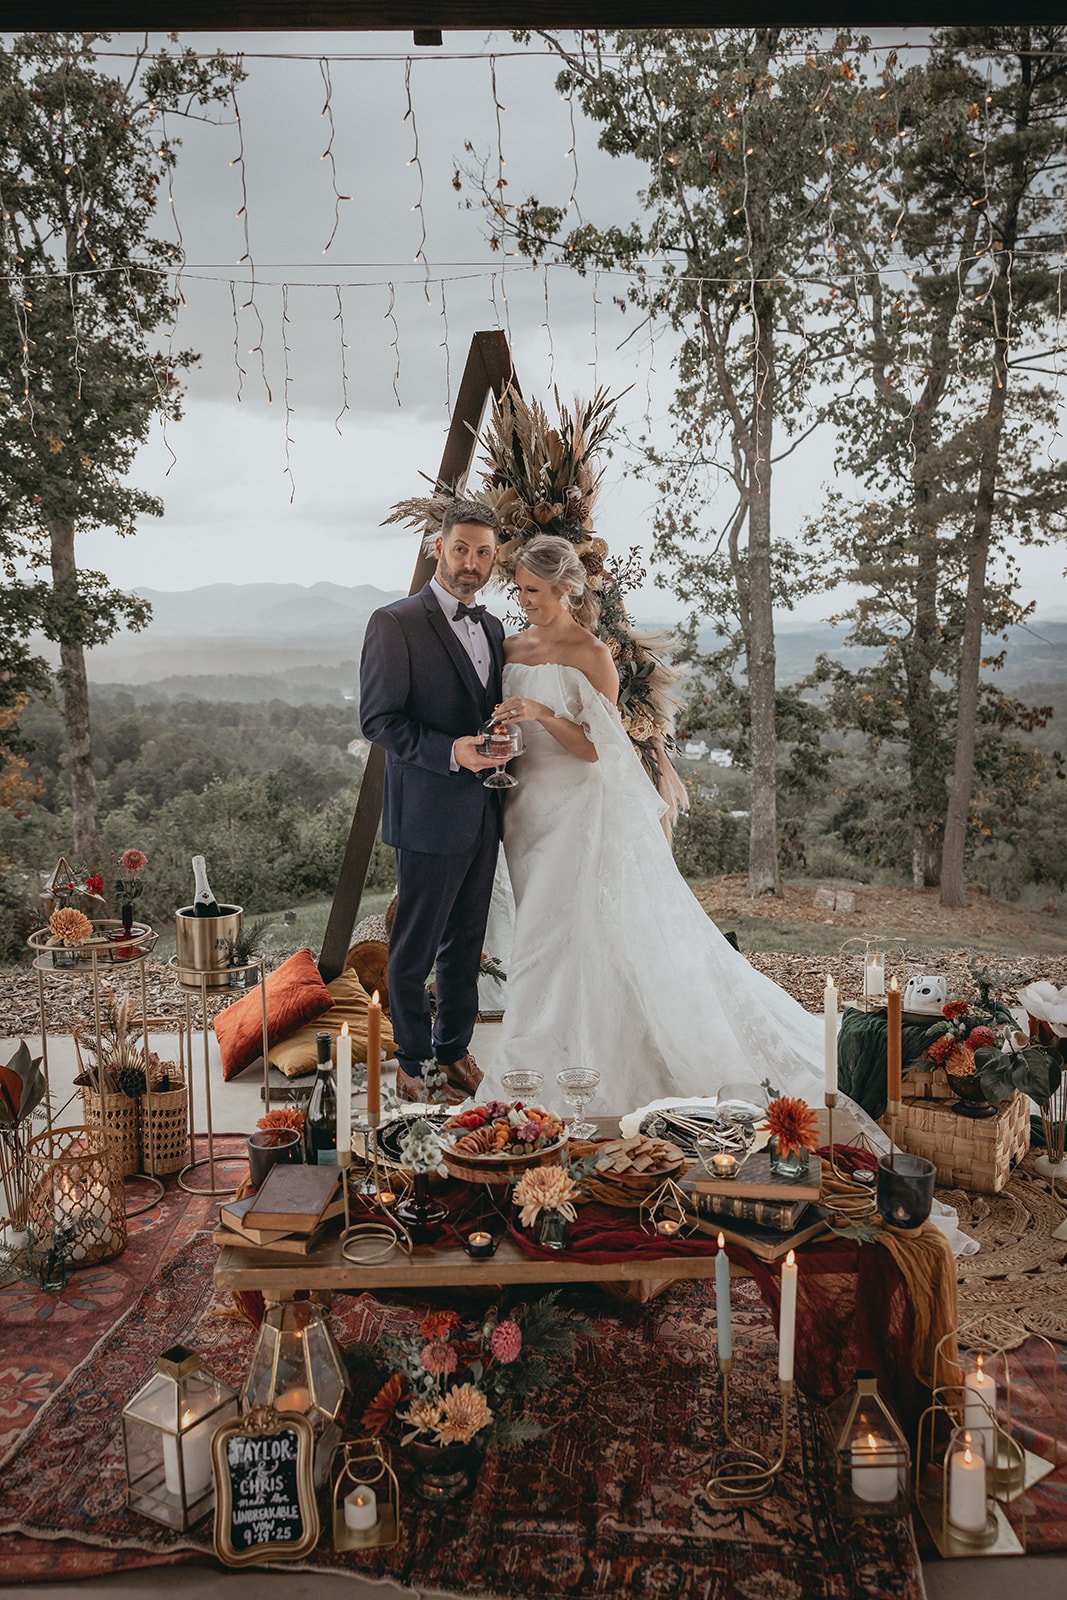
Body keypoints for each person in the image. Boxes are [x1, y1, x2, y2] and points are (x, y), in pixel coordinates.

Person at [491, 534, 976, 1256]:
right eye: (519, 590)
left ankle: (551, 1068)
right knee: (536, 928)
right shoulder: (509, 646)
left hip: (574, 812)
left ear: (564, 590)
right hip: (523, 803)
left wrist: (541, 714)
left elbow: (600, 750)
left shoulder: (591, 654)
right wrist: (504, 733)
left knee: (558, 936)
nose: (523, 600)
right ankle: (548, 1054)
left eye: (533, 590)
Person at [359, 499, 507, 1103]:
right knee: (414, 948)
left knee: (466, 945)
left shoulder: (493, 628)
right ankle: (414, 1061)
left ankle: (454, 1051)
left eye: (483, 553)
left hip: (484, 812)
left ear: (494, 559)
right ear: (438, 548)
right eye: (461, 549)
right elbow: (378, 721)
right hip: (426, 813)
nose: (471, 563)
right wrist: (453, 752)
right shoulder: (394, 623)